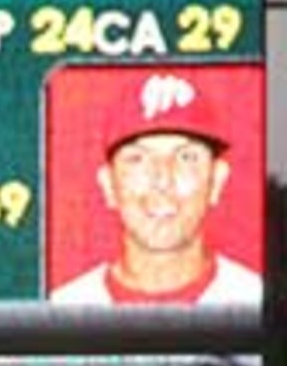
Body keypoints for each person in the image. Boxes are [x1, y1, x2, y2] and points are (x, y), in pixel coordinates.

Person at [49, 70, 261, 307]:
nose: (163, 180)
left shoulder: (261, 301)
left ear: (217, 181)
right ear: (108, 185)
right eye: (137, 159)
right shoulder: (59, 309)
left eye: (186, 157)